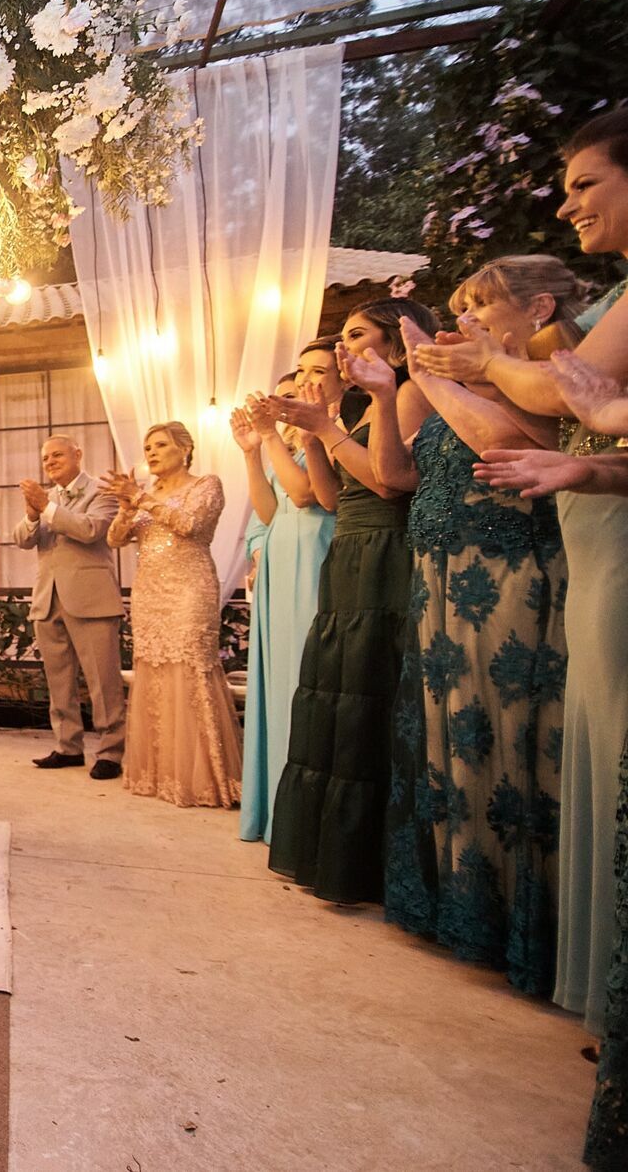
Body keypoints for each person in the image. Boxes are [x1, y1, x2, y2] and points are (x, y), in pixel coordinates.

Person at [414, 109, 628, 1165]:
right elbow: (585, 421)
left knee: (555, 754)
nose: (571, 199)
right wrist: (586, 462)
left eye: (588, 181)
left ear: (539, 304)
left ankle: (559, 955)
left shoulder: (590, 327)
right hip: (557, 532)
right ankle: (572, 970)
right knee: (553, 756)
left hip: (548, 560)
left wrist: (458, 378)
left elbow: (550, 407)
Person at [349, 278, 566, 995]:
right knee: (451, 741)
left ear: (538, 310)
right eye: (462, 305)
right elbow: (395, 472)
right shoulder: (451, 381)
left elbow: (501, 441)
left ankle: (516, 921)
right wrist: (386, 397)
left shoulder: (542, 373)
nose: (465, 317)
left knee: (506, 740)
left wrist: (426, 373)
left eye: (481, 304)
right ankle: (456, 903)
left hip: (506, 567)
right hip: (439, 571)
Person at [265, 299, 438, 904]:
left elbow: (390, 481)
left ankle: (363, 863)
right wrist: (317, 430)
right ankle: (328, 855)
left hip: (386, 553)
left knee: (367, 696)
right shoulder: (363, 410)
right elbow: (333, 497)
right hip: (350, 548)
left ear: (396, 345)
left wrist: (329, 428)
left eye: (356, 335)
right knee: (335, 698)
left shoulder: (411, 392)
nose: (343, 348)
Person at [101, 423, 241, 807]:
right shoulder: (147, 494)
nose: (152, 452)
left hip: (190, 588)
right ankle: (162, 774)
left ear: (185, 449)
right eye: (147, 446)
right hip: (149, 592)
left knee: (192, 668)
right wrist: (129, 507)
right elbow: (115, 540)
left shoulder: (206, 485)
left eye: (161, 445)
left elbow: (190, 525)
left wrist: (141, 500)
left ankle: (206, 777)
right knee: (156, 671)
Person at [232, 342, 339, 842]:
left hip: (317, 556)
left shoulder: (323, 442)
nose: (278, 406)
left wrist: (271, 435)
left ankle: (302, 818)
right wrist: (254, 453)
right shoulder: (284, 449)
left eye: (289, 395)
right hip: (281, 561)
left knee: (304, 681)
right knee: (278, 685)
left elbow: (303, 495)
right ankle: (277, 808)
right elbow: (269, 512)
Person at [12, 434, 127, 780]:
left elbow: (91, 529)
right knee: (58, 681)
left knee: (102, 682)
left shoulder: (102, 491)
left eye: (57, 454)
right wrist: (33, 514)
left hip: (91, 599)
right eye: (45, 458)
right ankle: (68, 747)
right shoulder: (48, 499)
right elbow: (22, 539)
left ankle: (111, 751)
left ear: (78, 453)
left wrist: (46, 507)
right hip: (49, 598)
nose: (50, 462)